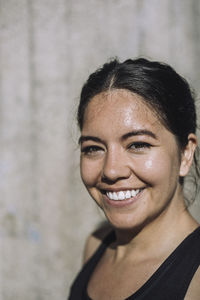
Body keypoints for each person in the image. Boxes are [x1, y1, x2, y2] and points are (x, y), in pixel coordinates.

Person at [68, 58, 200, 300]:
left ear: (185, 154)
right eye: (93, 148)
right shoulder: (97, 246)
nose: (111, 170)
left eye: (138, 144)